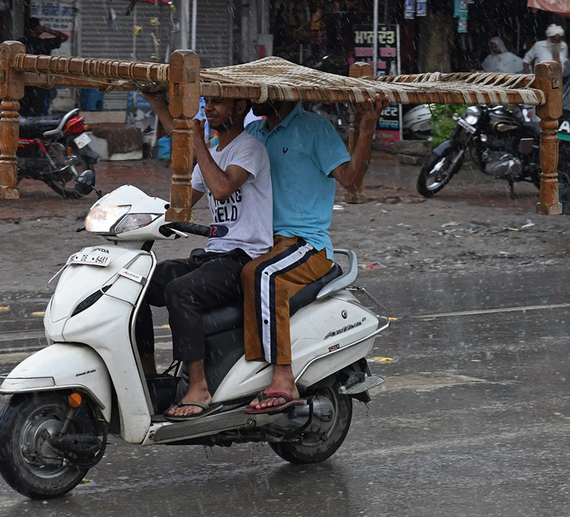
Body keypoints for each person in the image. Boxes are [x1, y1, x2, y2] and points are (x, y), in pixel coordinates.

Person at [240, 94, 388, 414]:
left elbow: (351, 180)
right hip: (260, 243)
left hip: (305, 244)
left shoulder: (314, 128)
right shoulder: (253, 131)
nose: (250, 98)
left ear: (278, 94)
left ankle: (283, 379)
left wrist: (367, 125)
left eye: (257, 92)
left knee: (263, 275)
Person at [135, 93, 273, 420]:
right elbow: (183, 200)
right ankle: (149, 377)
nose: (208, 108)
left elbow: (222, 187)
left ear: (240, 107)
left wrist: (197, 141)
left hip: (243, 258)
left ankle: (198, 387)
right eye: (206, 101)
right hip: (213, 255)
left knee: (180, 292)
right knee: (135, 283)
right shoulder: (213, 151)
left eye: (218, 102)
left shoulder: (249, 148)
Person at [19, 17, 69, 115]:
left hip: (23, 82)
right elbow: (64, 37)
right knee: (38, 113)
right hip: (40, 83)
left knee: (22, 112)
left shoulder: (20, 43)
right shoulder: (44, 43)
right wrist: (47, 30)